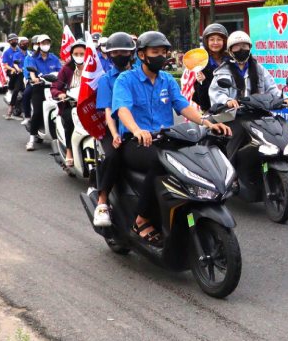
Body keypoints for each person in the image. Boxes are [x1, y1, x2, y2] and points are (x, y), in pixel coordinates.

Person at [112, 31, 231, 246]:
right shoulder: (126, 79)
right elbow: (122, 109)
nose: (161, 56)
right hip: (136, 142)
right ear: (141, 55)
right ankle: (141, 219)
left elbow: (183, 106)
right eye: (154, 52)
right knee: (162, 163)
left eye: (163, 52)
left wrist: (207, 122)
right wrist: (137, 130)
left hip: (166, 139)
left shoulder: (167, 79)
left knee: (195, 157)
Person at [208, 30, 288, 158]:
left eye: (244, 46)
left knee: (277, 132)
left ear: (250, 48)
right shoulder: (223, 71)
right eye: (237, 46)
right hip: (234, 115)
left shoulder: (258, 69)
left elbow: (271, 88)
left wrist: (284, 99)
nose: (241, 49)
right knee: (234, 136)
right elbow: (217, 92)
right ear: (230, 50)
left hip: (257, 113)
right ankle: (231, 170)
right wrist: (227, 101)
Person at [91, 32, 135, 227]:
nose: (120, 55)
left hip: (140, 127)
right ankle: (102, 201)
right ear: (108, 56)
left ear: (132, 53)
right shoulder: (106, 80)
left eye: (123, 52)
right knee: (113, 155)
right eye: (115, 52)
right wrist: (115, 134)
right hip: (114, 128)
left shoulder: (139, 74)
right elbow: (109, 111)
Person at [23, 34, 62, 151]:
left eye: (47, 43)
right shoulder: (32, 58)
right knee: (38, 111)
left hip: (53, 88)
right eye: (43, 43)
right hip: (39, 88)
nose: (46, 45)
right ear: (39, 45)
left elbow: (60, 72)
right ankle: (31, 139)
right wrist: (35, 79)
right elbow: (32, 74)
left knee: (62, 109)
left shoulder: (54, 58)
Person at [52, 40, 86, 166]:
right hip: (71, 105)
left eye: (82, 53)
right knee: (70, 122)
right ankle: (69, 151)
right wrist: (60, 94)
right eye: (76, 54)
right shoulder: (66, 69)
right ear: (71, 55)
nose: (79, 56)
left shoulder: (92, 68)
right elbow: (55, 87)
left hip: (89, 106)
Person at [193, 23, 229, 112]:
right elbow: (202, 99)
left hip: (231, 107)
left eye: (219, 39)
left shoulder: (231, 60)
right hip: (210, 109)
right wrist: (203, 82)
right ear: (206, 42)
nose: (215, 43)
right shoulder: (201, 62)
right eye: (212, 40)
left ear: (224, 41)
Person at [3, 35, 28, 119]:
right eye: (13, 40)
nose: (15, 41)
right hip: (16, 73)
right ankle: (10, 108)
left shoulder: (29, 53)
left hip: (27, 74)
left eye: (16, 40)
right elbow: (11, 64)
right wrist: (16, 69)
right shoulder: (10, 53)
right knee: (16, 89)